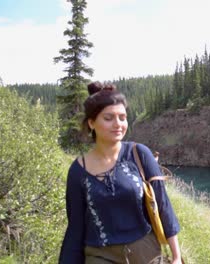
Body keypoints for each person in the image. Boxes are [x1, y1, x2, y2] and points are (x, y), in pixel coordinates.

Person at [58, 82, 182, 264]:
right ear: (92, 123)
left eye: (122, 117)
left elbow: (163, 206)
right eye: (108, 118)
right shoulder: (78, 171)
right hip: (100, 256)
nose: (118, 124)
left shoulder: (139, 154)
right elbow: (75, 229)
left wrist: (177, 257)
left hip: (146, 253)